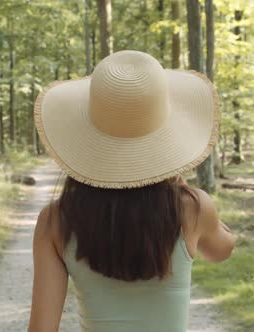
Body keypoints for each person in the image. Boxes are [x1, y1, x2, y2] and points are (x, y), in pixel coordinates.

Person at [28, 50, 235, 332]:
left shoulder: (54, 221)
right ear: (166, 138)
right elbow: (222, 250)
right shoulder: (193, 208)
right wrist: (186, 187)